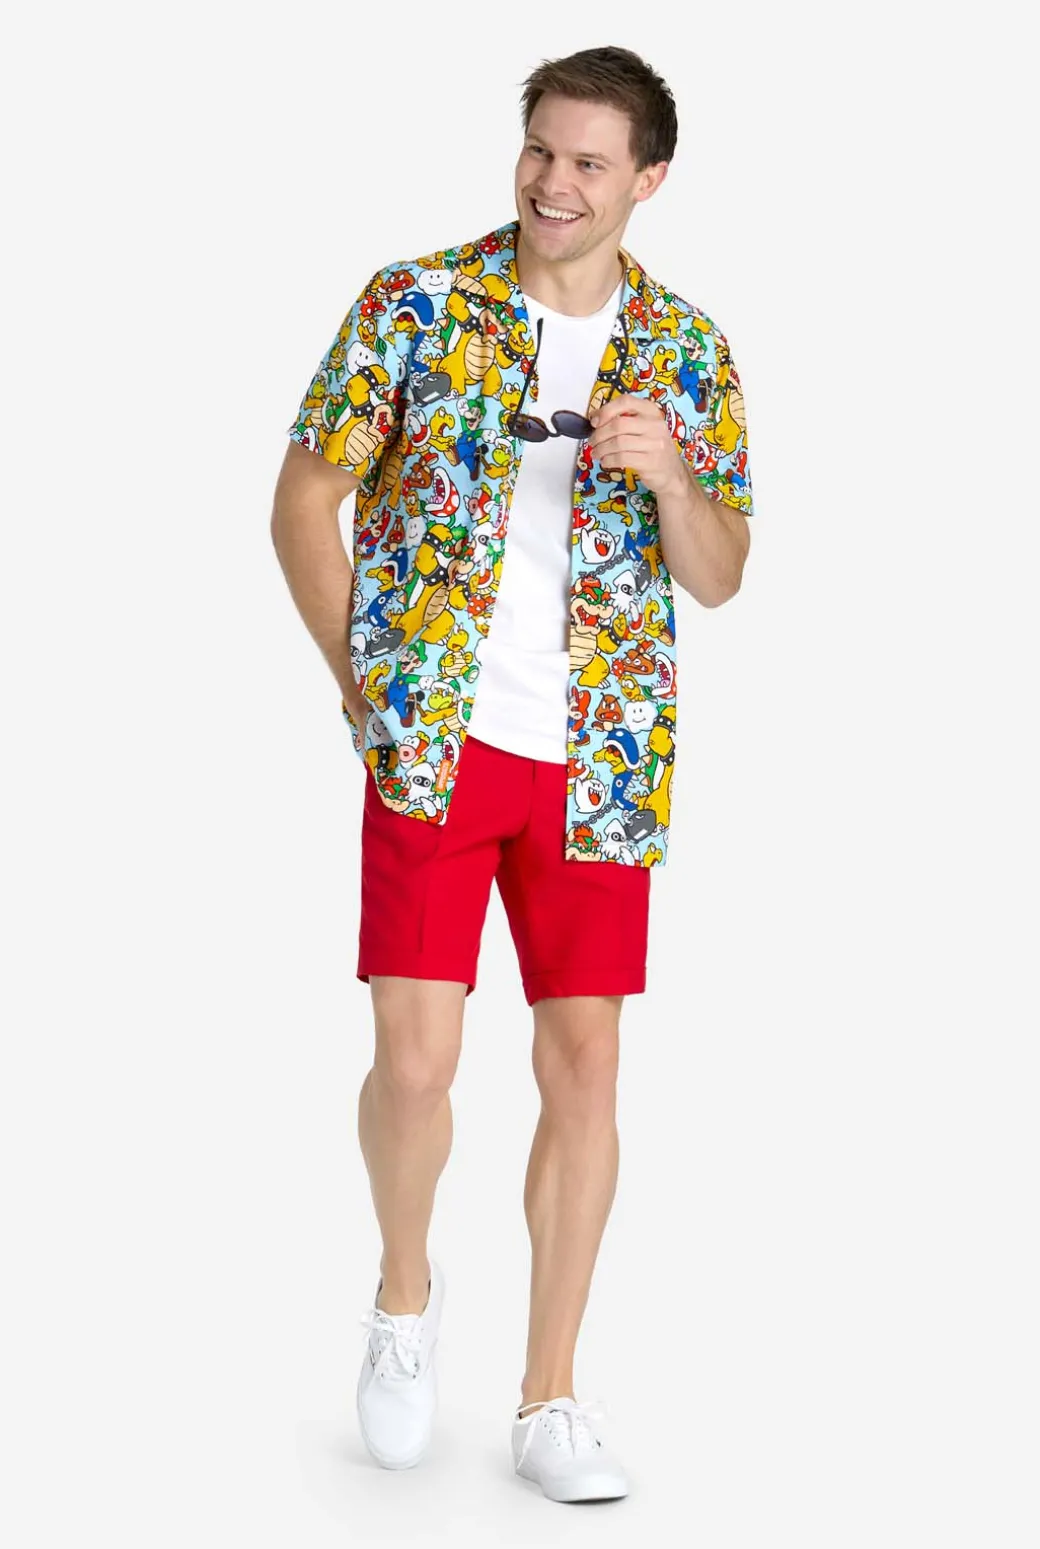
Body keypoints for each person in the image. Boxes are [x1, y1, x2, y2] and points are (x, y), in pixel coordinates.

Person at [270, 45, 753, 1503]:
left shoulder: (688, 351)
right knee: (417, 1064)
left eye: (590, 162)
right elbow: (303, 500)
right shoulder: (414, 303)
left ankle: (550, 1396)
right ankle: (402, 1298)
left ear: (648, 180)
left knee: (586, 1065)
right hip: (437, 743)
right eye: (541, 149)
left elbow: (721, 574)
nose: (555, 182)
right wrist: (365, 685)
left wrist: (673, 477)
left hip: (600, 756)